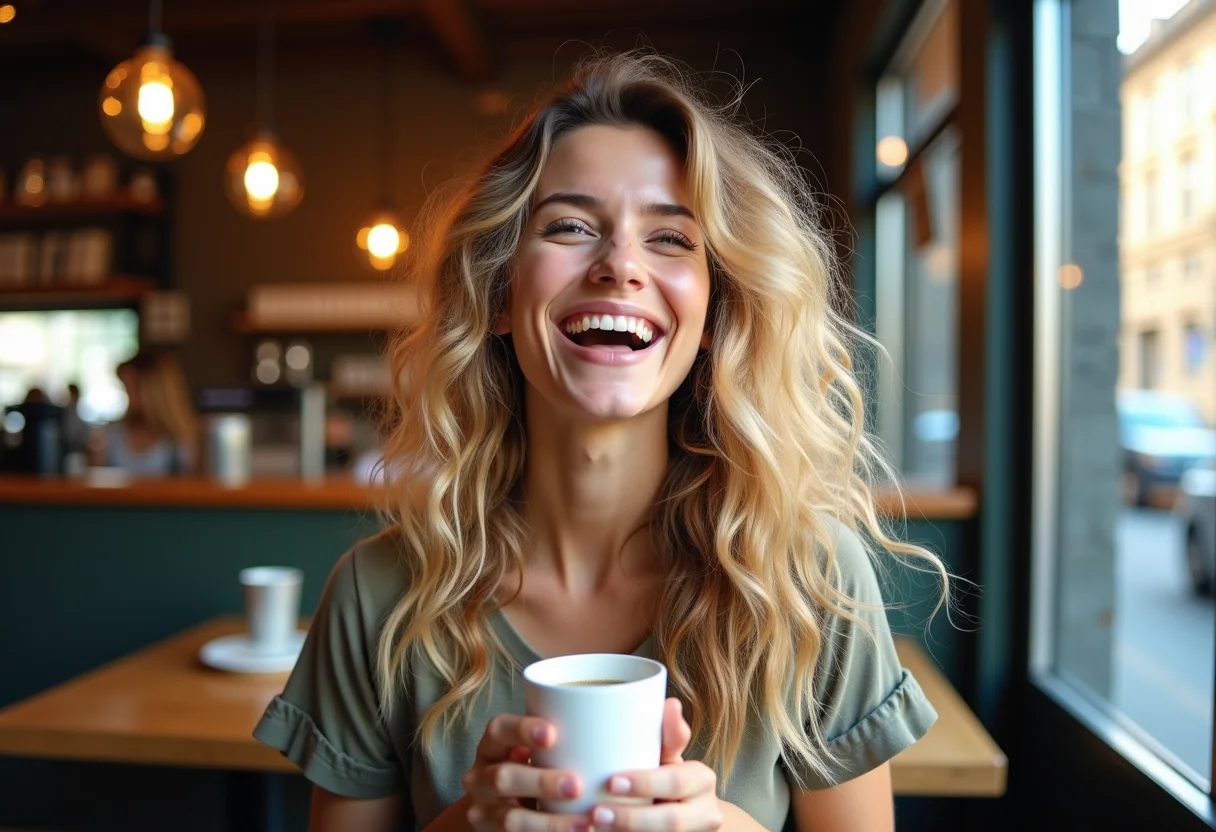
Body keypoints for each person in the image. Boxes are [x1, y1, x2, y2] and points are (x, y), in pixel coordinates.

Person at [254, 52, 948, 832]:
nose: (620, 265)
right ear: (498, 294)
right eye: (570, 227)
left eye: (671, 238)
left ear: (714, 316)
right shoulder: (379, 595)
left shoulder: (810, 581)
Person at [101, 350, 198, 475]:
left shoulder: (182, 440)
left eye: (134, 389)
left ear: (155, 393)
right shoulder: (111, 435)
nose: (129, 397)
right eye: (126, 389)